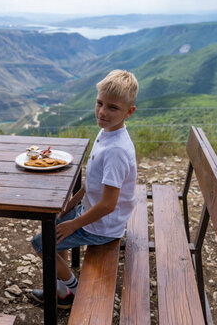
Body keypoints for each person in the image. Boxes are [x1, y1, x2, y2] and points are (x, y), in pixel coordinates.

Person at [29, 69, 138, 309]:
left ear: (129, 112)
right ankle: (60, 291)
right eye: (100, 103)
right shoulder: (107, 133)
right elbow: (92, 183)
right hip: (94, 216)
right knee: (55, 226)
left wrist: (75, 223)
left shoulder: (116, 150)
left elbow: (109, 204)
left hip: (103, 227)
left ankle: (73, 288)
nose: (102, 112)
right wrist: (70, 205)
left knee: (40, 244)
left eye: (112, 108)